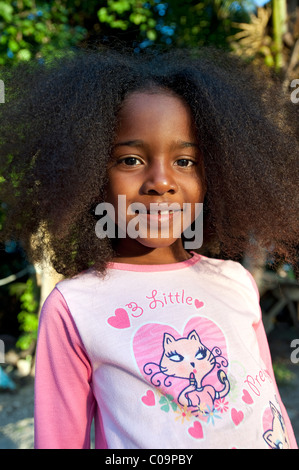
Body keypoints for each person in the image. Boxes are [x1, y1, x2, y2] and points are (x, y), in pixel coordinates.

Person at [0, 47, 298, 449]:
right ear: (90, 175)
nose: (161, 181)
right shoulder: (74, 306)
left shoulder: (235, 282)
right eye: (131, 159)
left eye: (186, 161)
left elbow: (272, 406)